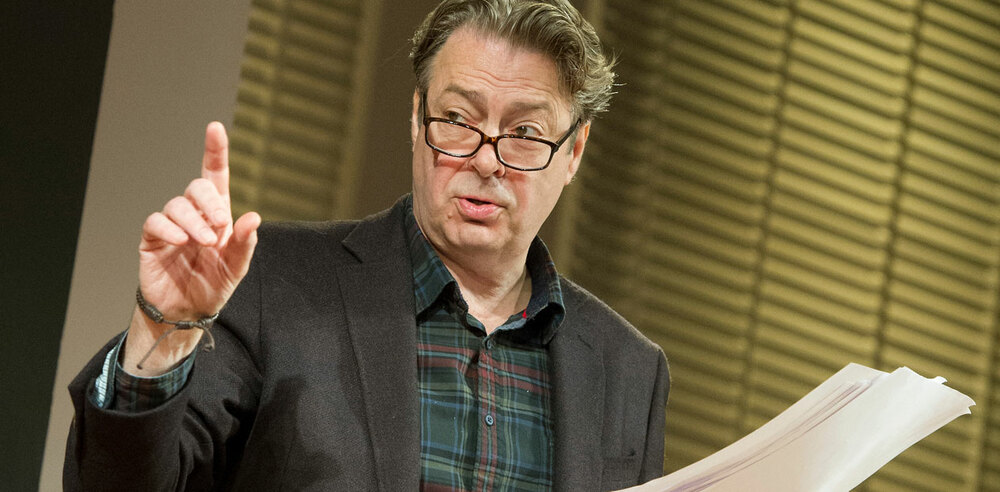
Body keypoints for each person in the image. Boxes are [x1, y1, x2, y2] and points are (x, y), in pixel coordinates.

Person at [64, 0, 669, 490]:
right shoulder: (271, 281)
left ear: (575, 152)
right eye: (457, 119)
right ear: (416, 118)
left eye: (526, 132)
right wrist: (161, 330)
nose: (486, 160)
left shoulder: (628, 371)